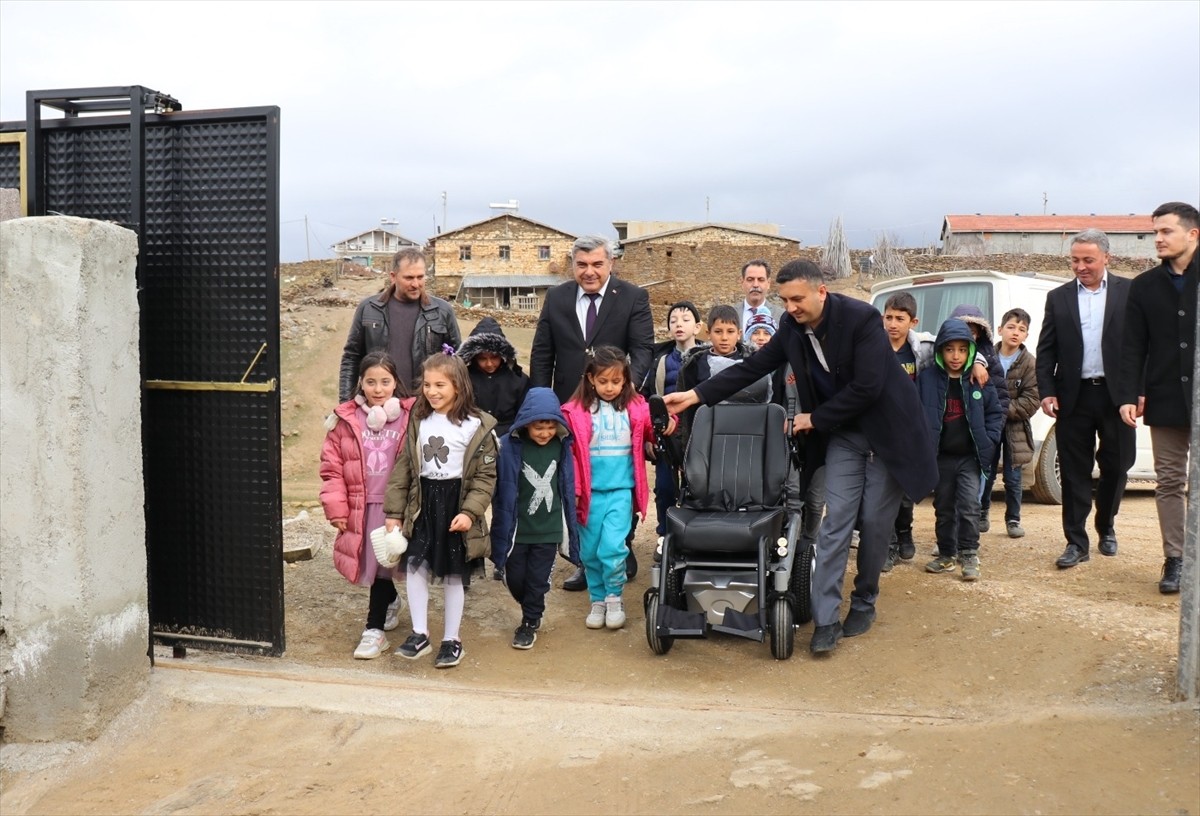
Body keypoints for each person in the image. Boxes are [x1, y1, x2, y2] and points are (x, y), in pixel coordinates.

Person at [665, 259, 938, 655]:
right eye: (785, 299)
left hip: (888, 434)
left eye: (797, 298)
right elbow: (755, 365)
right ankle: (826, 618)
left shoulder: (862, 320)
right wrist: (696, 395)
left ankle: (864, 600)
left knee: (877, 525)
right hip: (844, 436)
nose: (790, 307)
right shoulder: (792, 328)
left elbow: (868, 387)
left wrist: (814, 417)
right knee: (835, 524)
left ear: (820, 291)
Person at [530, 235, 655, 591]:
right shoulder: (556, 298)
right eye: (582, 265)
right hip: (572, 413)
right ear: (573, 265)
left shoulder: (632, 297)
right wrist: (543, 405)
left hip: (616, 408)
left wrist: (627, 392)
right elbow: (542, 354)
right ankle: (585, 560)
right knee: (577, 484)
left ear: (610, 263)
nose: (589, 272)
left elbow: (643, 349)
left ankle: (621, 546)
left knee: (617, 479)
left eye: (597, 264)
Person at [384, 353, 498, 669]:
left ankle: (452, 639)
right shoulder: (419, 420)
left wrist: (470, 513)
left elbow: (485, 478)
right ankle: (419, 633)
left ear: (458, 387)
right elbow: (405, 466)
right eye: (427, 385)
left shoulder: (477, 426)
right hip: (422, 504)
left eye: (440, 385)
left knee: (452, 574)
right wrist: (394, 512)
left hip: (455, 506)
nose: (432, 392)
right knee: (416, 567)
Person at [1036, 229, 1136, 570]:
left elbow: (1143, 347)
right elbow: (1046, 349)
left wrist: (1139, 391)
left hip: (1117, 398)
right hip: (1073, 398)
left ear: (1106, 258)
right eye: (1075, 260)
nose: (1081, 266)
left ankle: (1105, 524)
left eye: (1088, 260)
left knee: (1118, 465)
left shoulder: (1129, 292)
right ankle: (1076, 542)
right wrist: (1047, 391)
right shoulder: (1058, 297)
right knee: (1075, 471)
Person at [1118, 201, 1198, 594]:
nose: (1158, 239)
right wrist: (1130, 393)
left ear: (1192, 234)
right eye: (1155, 232)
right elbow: (1133, 345)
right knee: (1168, 481)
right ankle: (1176, 559)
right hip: (1165, 399)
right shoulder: (1144, 286)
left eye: (1166, 231)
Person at [562, 346, 668, 630]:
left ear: (626, 380)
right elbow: (568, 453)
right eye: (603, 381)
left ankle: (614, 597)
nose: (610, 387)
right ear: (590, 379)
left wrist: (667, 425)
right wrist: (571, 487)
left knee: (612, 547)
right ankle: (597, 599)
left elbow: (656, 425)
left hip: (621, 491)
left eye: (616, 381)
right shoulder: (575, 412)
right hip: (589, 494)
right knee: (590, 552)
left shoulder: (635, 407)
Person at [319, 351, 417, 659]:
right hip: (362, 508)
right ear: (360, 382)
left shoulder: (409, 416)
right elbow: (331, 468)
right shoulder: (345, 420)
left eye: (385, 382)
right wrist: (337, 508)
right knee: (373, 566)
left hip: (394, 507)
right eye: (371, 382)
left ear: (395, 383)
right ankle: (389, 602)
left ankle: (374, 631)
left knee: (383, 567)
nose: (378, 389)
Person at [490, 387, 580, 649]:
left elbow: (566, 482)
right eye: (539, 427)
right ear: (526, 423)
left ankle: (530, 621)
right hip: (517, 529)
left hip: (549, 528)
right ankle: (528, 599)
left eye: (551, 426)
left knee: (537, 580)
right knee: (516, 578)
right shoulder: (507, 447)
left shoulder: (562, 446)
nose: (545, 433)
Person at [917, 319, 1004, 581]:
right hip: (940, 457)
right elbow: (916, 414)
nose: (956, 356)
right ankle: (946, 554)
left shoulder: (979, 378)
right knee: (943, 507)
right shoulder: (927, 379)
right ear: (940, 350)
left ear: (970, 351)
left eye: (962, 350)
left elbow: (995, 412)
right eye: (949, 349)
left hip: (970, 458)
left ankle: (969, 554)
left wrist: (988, 440)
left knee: (969, 505)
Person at [339, 247, 460, 399]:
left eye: (420, 277)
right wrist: (345, 404)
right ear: (393, 276)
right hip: (379, 406)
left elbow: (457, 361)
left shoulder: (442, 311)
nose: (416, 284)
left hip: (425, 405)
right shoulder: (368, 309)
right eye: (409, 278)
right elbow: (352, 357)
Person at [638, 301, 701, 553]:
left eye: (685, 320)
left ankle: (693, 538)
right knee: (665, 489)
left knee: (695, 488)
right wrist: (648, 436)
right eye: (673, 320)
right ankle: (664, 536)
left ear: (697, 327)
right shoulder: (660, 361)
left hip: (697, 436)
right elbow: (646, 400)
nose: (678, 324)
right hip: (665, 436)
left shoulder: (706, 359)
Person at [880, 292, 936, 571]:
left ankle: (905, 532)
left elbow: (956, 351)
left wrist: (978, 362)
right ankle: (888, 545)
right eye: (888, 317)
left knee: (904, 493)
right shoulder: (873, 347)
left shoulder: (922, 349)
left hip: (910, 432)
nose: (893, 324)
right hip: (881, 433)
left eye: (899, 319)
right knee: (883, 494)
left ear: (913, 321)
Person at [675, 305, 772, 448]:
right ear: (708, 333)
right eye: (718, 332)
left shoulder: (753, 363)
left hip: (750, 434)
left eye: (730, 331)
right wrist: (684, 447)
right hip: (706, 438)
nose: (724, 338)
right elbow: (686, 413)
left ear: (739, 333)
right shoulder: (693, 365)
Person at [981, 308, 1039, 539]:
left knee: (1013, 477)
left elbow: (1032, 399)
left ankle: (1013, 519)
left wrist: (1001, 410)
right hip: (989, 425)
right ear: (1000, 329)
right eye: (1011, 327)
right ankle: (981, 513)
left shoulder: (1029, 363)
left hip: (1015, 427)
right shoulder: (986, 357)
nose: (1015, 333)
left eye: (1022, 329)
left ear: (1026, 335)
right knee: (986, 470)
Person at [458, 316, 529, 438]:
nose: (489, 363)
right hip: (471, 439)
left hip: (509, 439)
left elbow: (524, 418)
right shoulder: (463, 378)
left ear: (503, 355)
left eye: (494, 357)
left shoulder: (519, 380)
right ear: (473, 357)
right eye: (482, 358)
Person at [738, 259, 783, 331]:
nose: (755, 285)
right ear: (742, 282)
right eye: (750, 279)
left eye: (761, 280)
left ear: (768, 283)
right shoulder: (731, 314)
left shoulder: (782, 316)